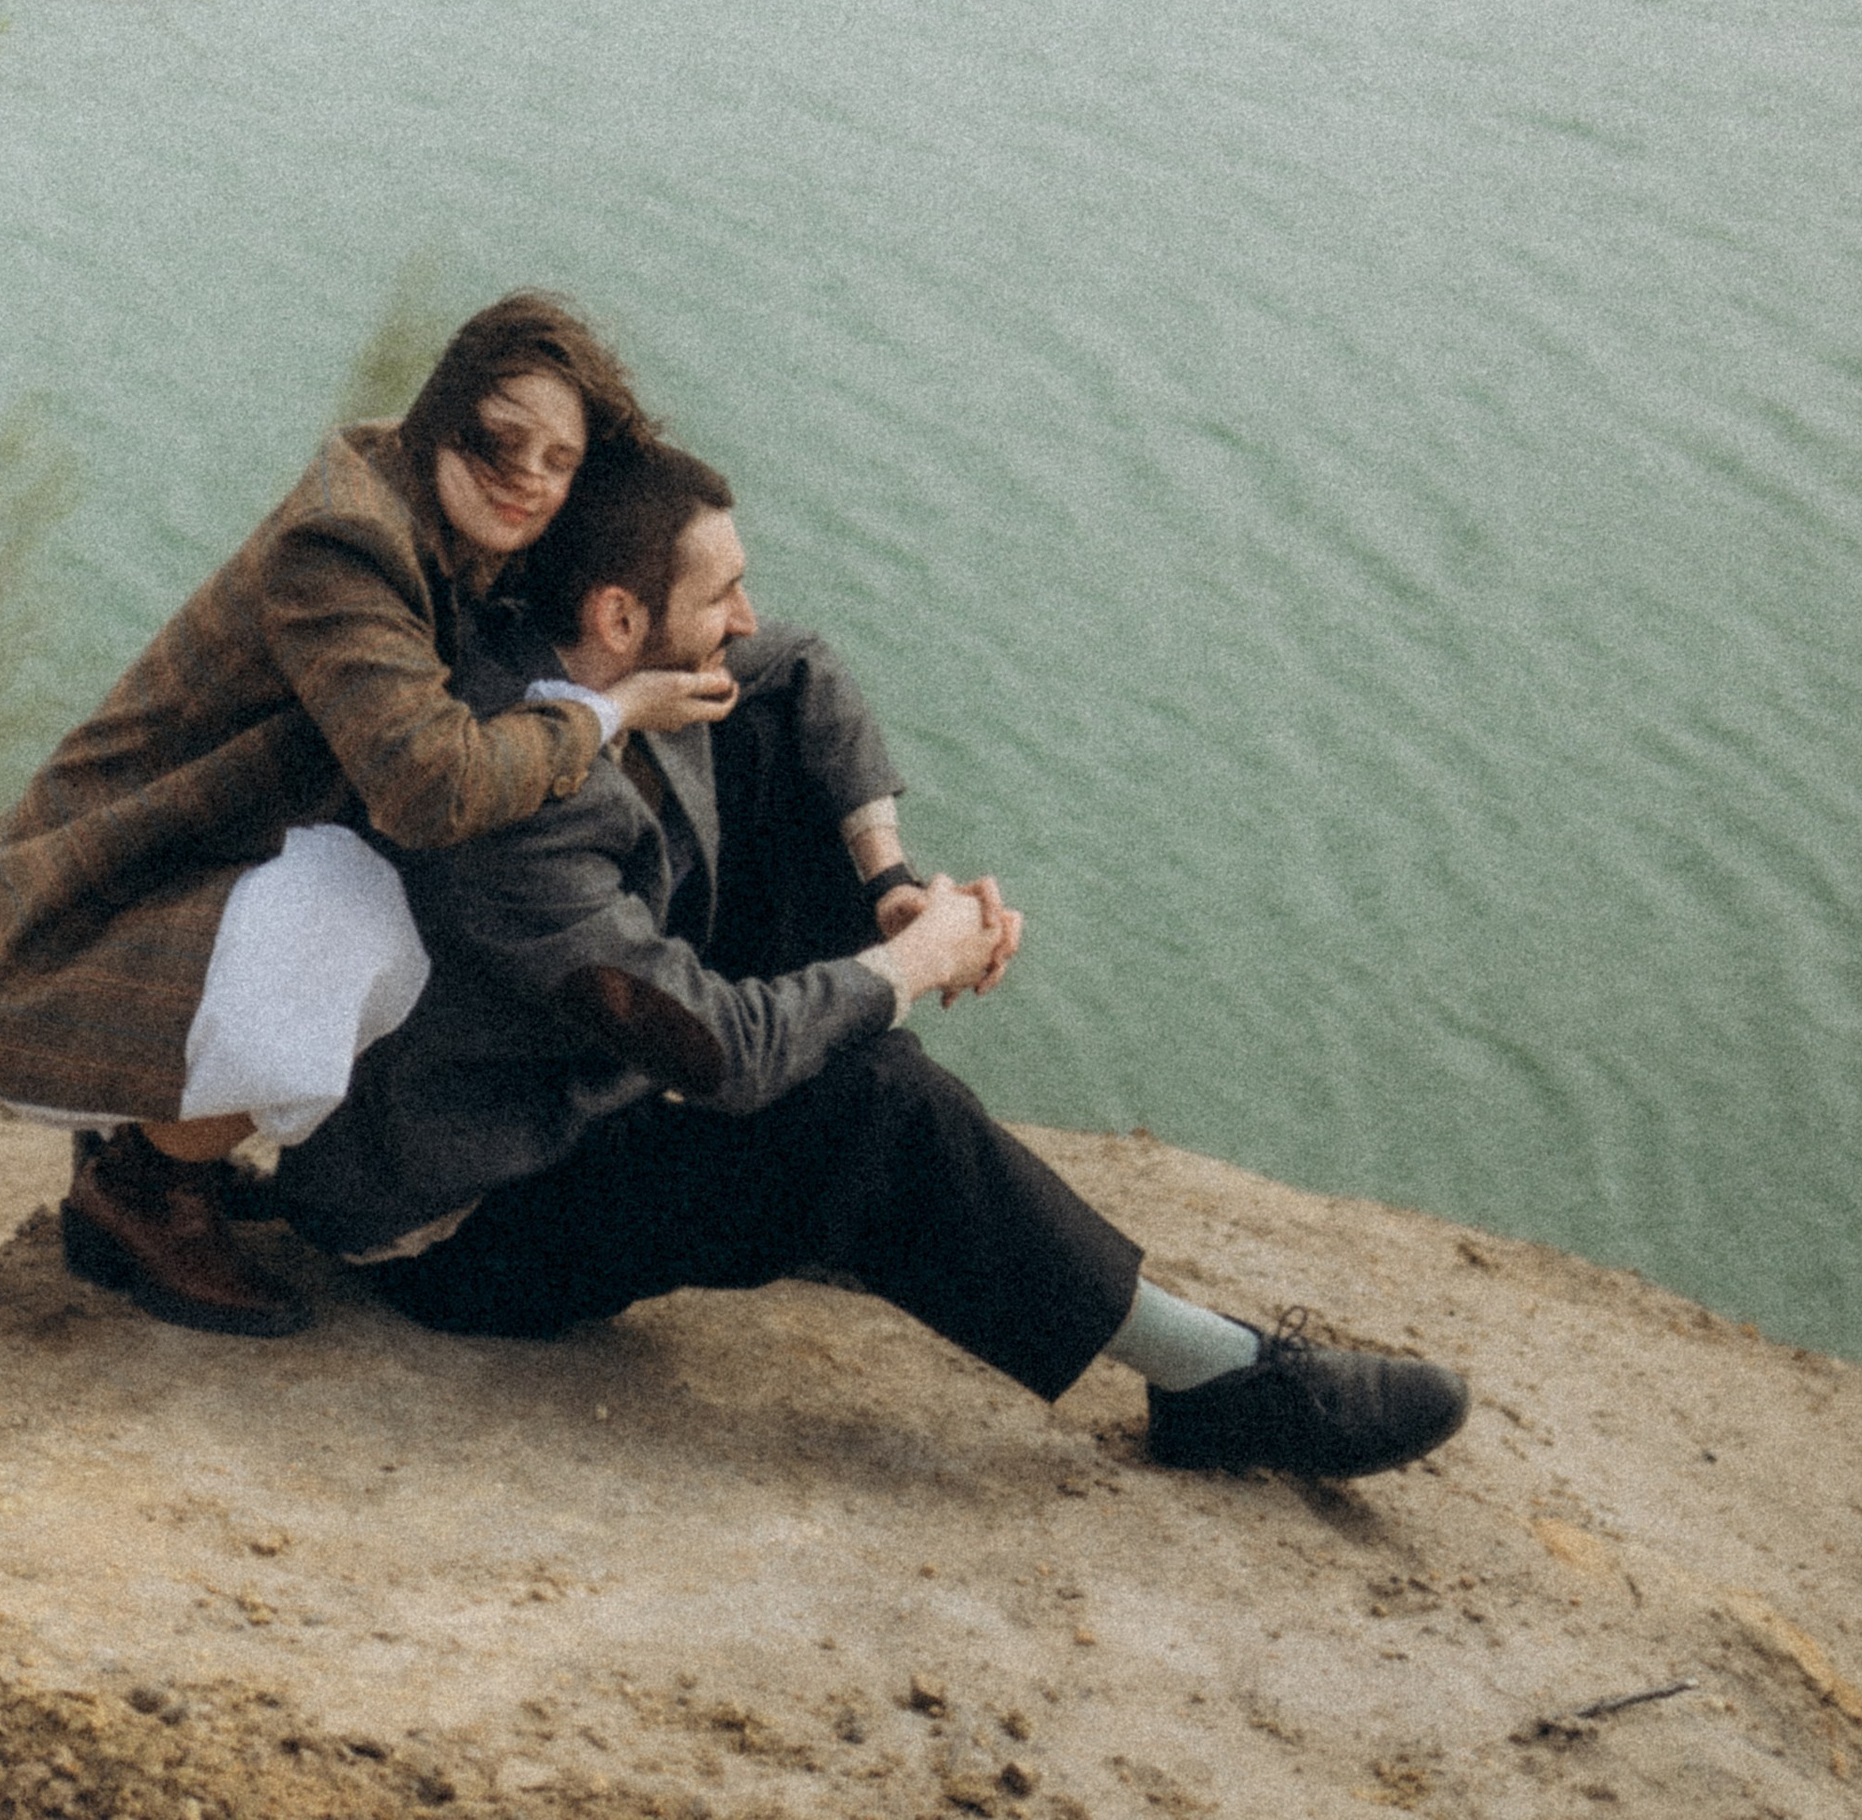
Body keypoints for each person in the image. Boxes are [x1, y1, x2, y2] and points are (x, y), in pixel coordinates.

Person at [276, 440, 1473, 1481]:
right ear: (618, 619)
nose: (742, 616)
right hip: (473, 1222)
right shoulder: (517, 805)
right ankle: (1214, 1380)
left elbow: (799, 671)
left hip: (567, 1068)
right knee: (872, 1101)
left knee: (770, 756)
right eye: (722, 593)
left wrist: (893, 889)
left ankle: (875, 1213)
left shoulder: (597, 671)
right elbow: (724, 1055)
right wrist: (911, 970)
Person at [0, 293, 741, 1337]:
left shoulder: (462, 528)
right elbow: (428, 784)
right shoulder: (344, 545)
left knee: (395, 886)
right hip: (95, 900)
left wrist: (876, 848)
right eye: (500, 441)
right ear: (441, 417)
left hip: (221, 858)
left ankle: (176, 1150)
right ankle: (143, 1187)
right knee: (358, 914)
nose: (528, 480)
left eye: (559, 460)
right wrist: (613, 708)